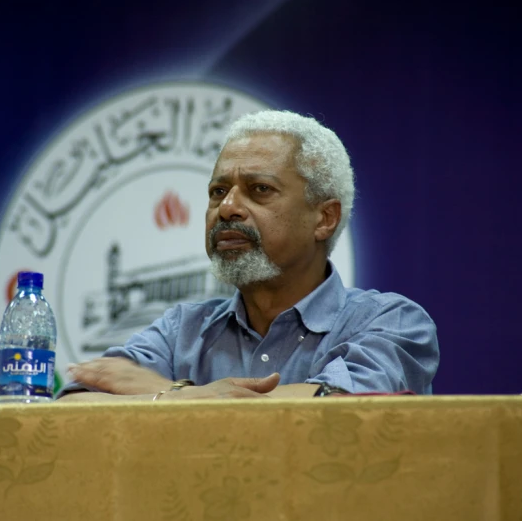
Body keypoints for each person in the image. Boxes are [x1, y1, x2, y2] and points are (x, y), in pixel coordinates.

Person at [56, 110, 439, 402]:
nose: (228, 208)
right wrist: (193, 396)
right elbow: (76, 403)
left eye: (259, 190)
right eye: (218, 191)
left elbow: (342, 411)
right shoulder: (182, 331)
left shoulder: (392, 323)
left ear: (325, 218)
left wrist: (172, 396)